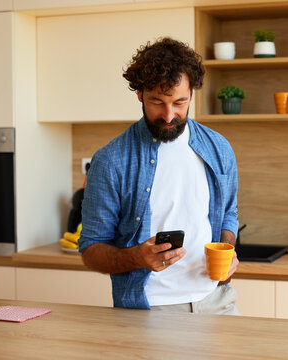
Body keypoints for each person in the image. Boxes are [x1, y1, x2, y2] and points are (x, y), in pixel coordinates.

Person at [79, 37, 240, 314]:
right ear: (140, 94)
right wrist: (136, 257)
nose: (168, 115)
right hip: (152, 307)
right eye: (157, 102)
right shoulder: (111, 160)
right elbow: (91, 251)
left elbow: (228, 213)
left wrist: (227, 251)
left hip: (217, 299)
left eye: (180, 102)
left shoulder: (218, 148)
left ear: (192, 95)